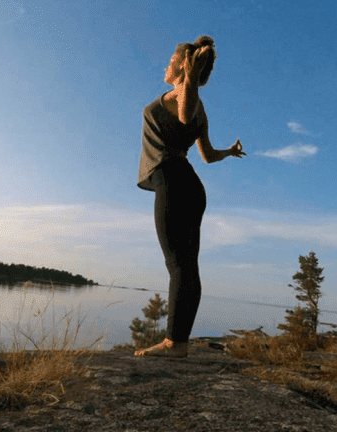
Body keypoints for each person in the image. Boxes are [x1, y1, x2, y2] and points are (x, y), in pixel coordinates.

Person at [135, 36, 246, 358]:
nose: (165, 63)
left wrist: (191, 78)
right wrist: (229, 151)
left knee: (178, 265)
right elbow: (208, 156)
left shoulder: (186, 97)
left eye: (171, 59)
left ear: (184, 65)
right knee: (186, 266)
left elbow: (184, 116)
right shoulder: (195, 103)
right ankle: (178, 341)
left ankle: (175, 343)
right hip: (187, 184)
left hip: (174, 182)